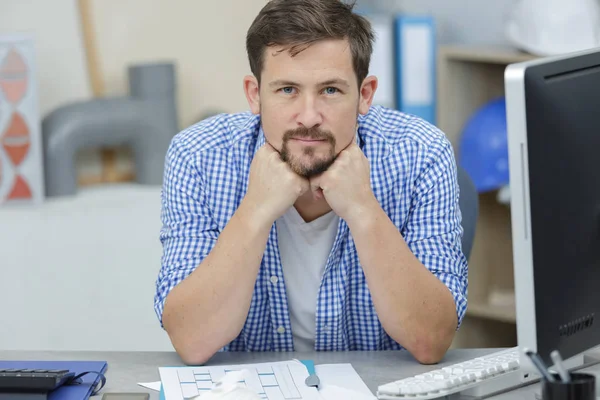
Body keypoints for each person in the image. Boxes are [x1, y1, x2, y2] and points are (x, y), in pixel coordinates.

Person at [154, 0, 468, 366]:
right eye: (287, 89)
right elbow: (192, 341)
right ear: (254, 94)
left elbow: (431, 341)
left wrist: (364, 210)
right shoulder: (197, 156)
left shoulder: (422, 152)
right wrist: (255, 210)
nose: (308, 117)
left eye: (330, 90)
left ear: (365, 94)